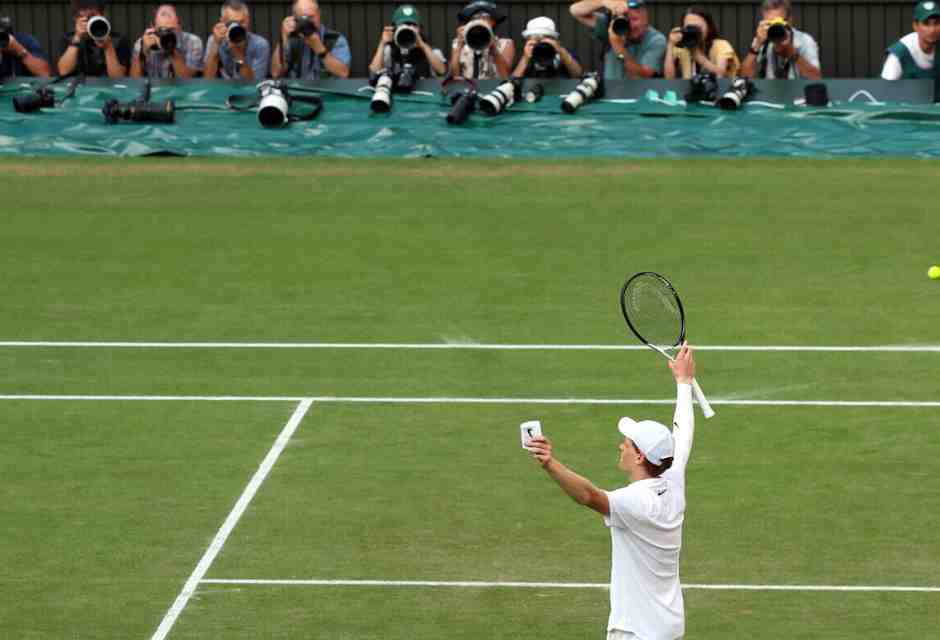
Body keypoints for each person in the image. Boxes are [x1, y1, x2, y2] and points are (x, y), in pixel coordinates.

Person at [528, 342, 698, 640]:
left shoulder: (636, 501)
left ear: (640, 456)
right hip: (668, 627)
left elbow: (589, 496)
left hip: (636, 631)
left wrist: (549, 463)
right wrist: (683, 383)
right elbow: (682, 431)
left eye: (628, 443)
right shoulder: (672, 478)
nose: (621, 445)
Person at [570, 0, 665, 80]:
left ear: (645, 20)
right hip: (610, 91)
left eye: (635, 19)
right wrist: (604, 2)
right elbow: (575, 10)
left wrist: (618, 46)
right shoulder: (615, 27)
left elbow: (644, 75)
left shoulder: (656, 39)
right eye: (627, 19)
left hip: (640, 93)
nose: (631, 25)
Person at [740, 0, 821, 79]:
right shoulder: (762, 39)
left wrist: (793, 54)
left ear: (789, 20)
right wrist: (756, 46)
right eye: (770, 23)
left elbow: (816, 78)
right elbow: (745, 77)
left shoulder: (804, 41)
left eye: (778, 23)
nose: (775, 28)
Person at [272, 0, 351, 79]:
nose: (308, 22)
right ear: (294, 18)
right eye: (303, 18)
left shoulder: (334, 39)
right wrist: (283, 38)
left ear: (319, 14)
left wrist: (320, 49)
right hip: (296, 86)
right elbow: (276, 73)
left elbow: (343, 73)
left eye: (311, 17)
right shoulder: (291, 39)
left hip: (326, 86)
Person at [57, 0, 132, 78]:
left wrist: (108, 48)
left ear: (103, 16)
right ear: (76, 19)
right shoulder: (68, 39)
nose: (89, 21)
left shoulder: (117, 40)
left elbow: (119, 77)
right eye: (83, 17)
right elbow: (63, 71)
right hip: (77, 85)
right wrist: (77, 37)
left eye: (92, 16)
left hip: (108, 85)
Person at [367, 5, 446, 79]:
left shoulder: (432, 51)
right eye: (403, 25)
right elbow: (373, 73)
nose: (408, 28)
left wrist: (423, 46)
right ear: (394, 28)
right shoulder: (388, 50)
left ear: (420, 29)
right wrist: (382, 43)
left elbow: (442, 72)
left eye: (413, 25)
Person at [664, 5, 739, 79]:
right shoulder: (682, 46)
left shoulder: (721, 45)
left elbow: (721, 76)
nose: (693, 31)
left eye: (698, 28)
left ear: (709, 28)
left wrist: (698, 56)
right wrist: (670, 45)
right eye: (689, 28)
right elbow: (669, 78)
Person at [130, 4, 203, 79]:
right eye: (162, 30)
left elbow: (189, 79)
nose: (166, 34)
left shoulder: (192, 41)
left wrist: (171, 50)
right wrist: (142, 53)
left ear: (179, 27)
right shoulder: (143, 42)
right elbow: (134, 80)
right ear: (153, 27)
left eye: (171, 30)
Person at [203, 0, 270, 80]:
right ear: (222, 21)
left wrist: (237, 52)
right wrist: (216, 44)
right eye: (232, 22)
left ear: (248, 20)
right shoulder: (215, 39)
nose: (237, 26)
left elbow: (255, 82)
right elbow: (208, 78)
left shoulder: (260, 44)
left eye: (242, 22)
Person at [449, 1, 515, 80]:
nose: (480, 19)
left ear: (493, 21)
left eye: (485, 16)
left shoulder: (505, 44)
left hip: (495, 87)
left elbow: (505, 77)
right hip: (468, 86)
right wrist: (459, 46)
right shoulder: (459, 43)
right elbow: (454, 76)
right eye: (475, 16)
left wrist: (493, 48)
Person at [881, 0, 940, 79]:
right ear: (915, 26)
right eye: (926, 23)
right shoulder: (901, 52)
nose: (932, 30)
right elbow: (885, 85)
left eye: (936, 23)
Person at [511, 16, 582, 79]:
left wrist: (561, 51)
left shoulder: (564, 53)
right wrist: (525, 58)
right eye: (535, 39)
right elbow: (513, 81)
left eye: (545, 38)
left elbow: (578, 74)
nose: (541, 44)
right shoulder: (528, 55)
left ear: (555, 40)